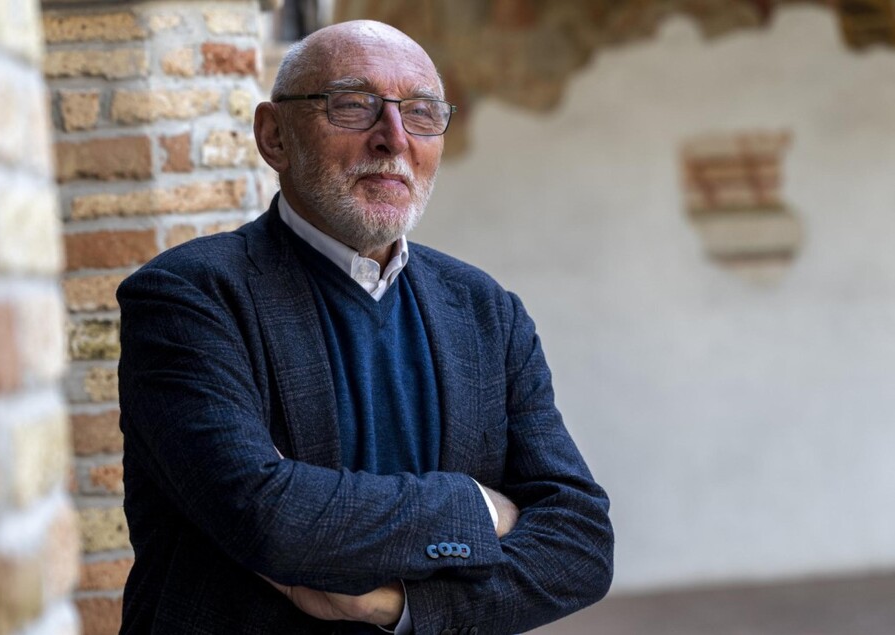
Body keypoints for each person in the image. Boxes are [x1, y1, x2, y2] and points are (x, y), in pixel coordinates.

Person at [116, 19, 613, 635]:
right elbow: (266, 518)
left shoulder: (485, 309)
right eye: (353, 105)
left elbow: (581, 546)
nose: (394, 139)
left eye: (422, 113)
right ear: (274, 136)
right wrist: (478, 506)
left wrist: (399, 607)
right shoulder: (189, 296)